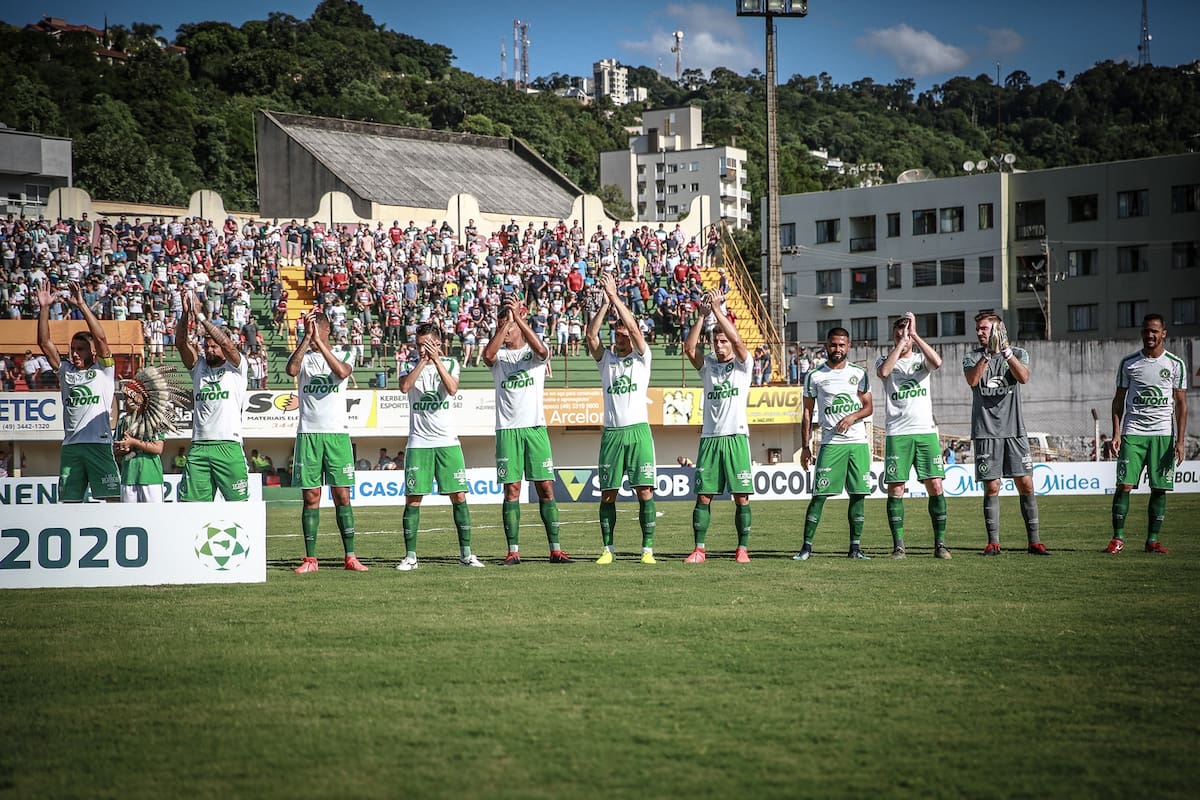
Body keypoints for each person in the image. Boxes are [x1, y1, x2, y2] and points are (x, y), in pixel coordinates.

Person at [482, 293, 572, 564]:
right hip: (508, 430)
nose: (506, 332)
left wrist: (518, 319)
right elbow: (487, 355)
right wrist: (504, 324)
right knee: (512, 490)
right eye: (501, 327)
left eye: (508, 328)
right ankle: (513, 551)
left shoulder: (533, 354)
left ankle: (555, 549)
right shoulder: (499, 358)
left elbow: (543, 351)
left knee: (545, 488)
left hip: (535, 428)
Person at [395, 324, 483, 570]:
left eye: (425, 344)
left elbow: (452, 389)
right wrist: (423, 362)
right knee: (413, 499)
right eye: (418, 345)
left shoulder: (451, 364)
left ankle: (466, 554)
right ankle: (411, 557)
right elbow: (404, 387)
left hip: (447, 442)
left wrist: (435, 361)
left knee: (459, 496)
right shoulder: (408, 364)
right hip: (418, 443)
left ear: (437, 343)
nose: (420, 349)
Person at [585, 271, 658, 564]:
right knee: (608, 494)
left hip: (638, 432)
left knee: (645, 492)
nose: (622, 338)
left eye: (625, 335)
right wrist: (605, 304)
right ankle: (608, 549)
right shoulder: (607, 362)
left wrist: (615, 297)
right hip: (612, 434)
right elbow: (591, 336)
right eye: (618, 335)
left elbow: (636, 331)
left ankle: (647, 550)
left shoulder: (642, 358)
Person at [963, 312, 1048, 555]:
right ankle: (993, 542)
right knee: (992, 487)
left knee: (1026, 484)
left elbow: (1024, 377)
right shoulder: (972, 356)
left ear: (998, 330)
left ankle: (1034, 542)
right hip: (986, 432)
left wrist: (1006, 352)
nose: (979, 332)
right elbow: (973, 380)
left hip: (1015, 431)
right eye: (978, 329)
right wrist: (988, 355)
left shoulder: (1019, 353)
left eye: (984, 329)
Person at [288, 310, 367, 573]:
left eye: (315, 330)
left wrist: (320, 345)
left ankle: (350, 557)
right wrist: (305, 339)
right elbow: (291, 370)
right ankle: (310, 560)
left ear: (327, 331)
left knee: (342, 496)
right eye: (307, 330)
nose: (311, 336)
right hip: (308, 435)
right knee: (311, 497)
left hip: (337, 435)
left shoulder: (345, 353)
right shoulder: (303, 357)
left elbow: (342, 372)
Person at [1106, 313, 1188, 555]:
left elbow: (1181, 405)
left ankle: (1152, 541)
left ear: (1163, 333)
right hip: (1133, 433)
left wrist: (1180, 441)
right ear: (1142, 332)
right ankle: (1117, 538)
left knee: (1159, 488)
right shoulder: (1129, 363)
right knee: (1124, 485)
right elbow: (1118, 400)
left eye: (1154, 331)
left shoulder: (1175, 364)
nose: (1150, 335)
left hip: (1163, 435)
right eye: (1146, 331)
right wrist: (1116, 434)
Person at [682, 290, 753, 563]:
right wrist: (702, 316)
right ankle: (699, 550)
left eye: (724, 341)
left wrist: (717, 310)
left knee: (741, 498)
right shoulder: (708, 366)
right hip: (710, 438)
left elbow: (738, 340)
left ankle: (742, 549)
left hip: (736, 437)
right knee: (703, 497)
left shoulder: (744, 365)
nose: (720, 345)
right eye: (716, 342)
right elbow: (689, 349)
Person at [35, 280, 120, 502]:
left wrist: (81, 305)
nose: (74, 353)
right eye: (72, 349)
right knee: (68, 502)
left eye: (80, 349)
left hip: (99, 445)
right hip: (71, 447)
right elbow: (44, 343)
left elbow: (100, 338)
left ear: (93, 352)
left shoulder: (104, 369)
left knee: (112, 500)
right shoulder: (65, 370)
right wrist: (44, 308)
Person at [794, 327, 874, 560]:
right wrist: (806, 447)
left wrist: (852, 417)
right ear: (826, 346)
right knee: (819, 495)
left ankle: (855, 548)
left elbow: (868, 407)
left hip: (857, 443)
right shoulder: (815, 375)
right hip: (831, 443)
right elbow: (807, 413)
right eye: (833, 345)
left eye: (841, 345)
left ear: (848, 346)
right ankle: (806, 548)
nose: (837, 349)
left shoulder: (859, 373)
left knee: (858, 494)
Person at [876, 313, 950, 559]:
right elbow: (884, 372)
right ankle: (899, 546)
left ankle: (940, 544)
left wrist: (915, 336)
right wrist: (900, 344)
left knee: (935, 484)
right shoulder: (884, 359)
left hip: (925, 432)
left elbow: (937, 362)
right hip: (898, 434)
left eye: (905, 335)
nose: (903, 338)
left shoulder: (921, 360)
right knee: (896, 488)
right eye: (898, 335)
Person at [176, 290, 250, 502]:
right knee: (192, 507)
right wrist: (186, 314)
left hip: (228, 444)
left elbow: (227, 345)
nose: (209, 350)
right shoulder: (199, 366)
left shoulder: (237, 366)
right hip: (199, 445)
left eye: (213, 346)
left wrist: (200, 316)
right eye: (206, 346)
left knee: (238, 506)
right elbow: (180, 344)